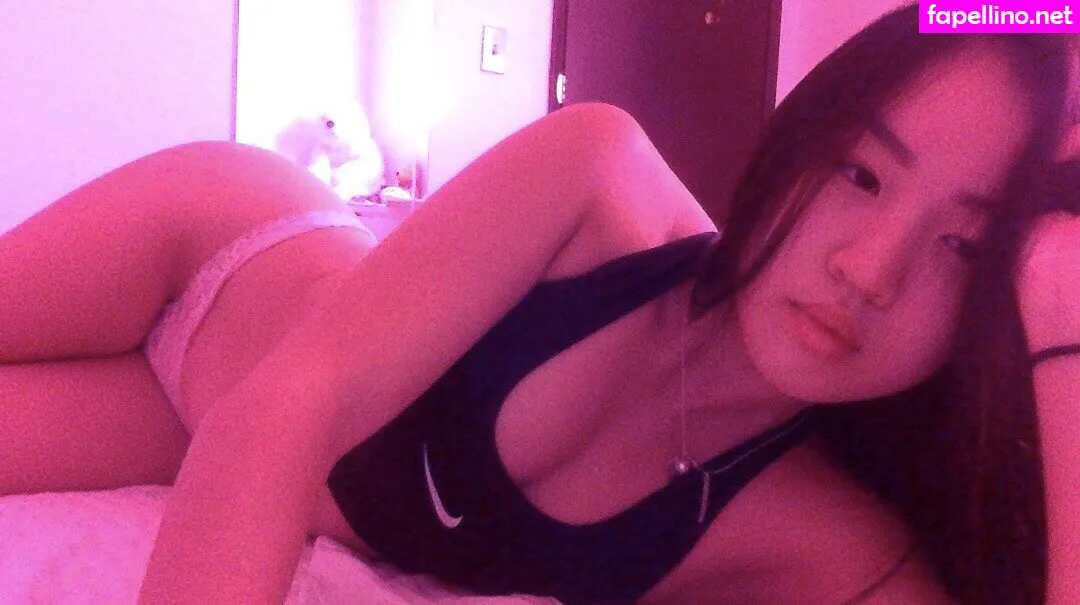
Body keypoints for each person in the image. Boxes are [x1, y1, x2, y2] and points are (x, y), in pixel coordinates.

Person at [0, 5, 1074, 604]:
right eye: (861, 173)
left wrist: (1066, 324)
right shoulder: (599, 178)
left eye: (966, 248)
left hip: (177, 429)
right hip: (221, 254)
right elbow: (282, 412)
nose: (870, 270)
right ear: (800, 139)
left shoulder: (831, 540)